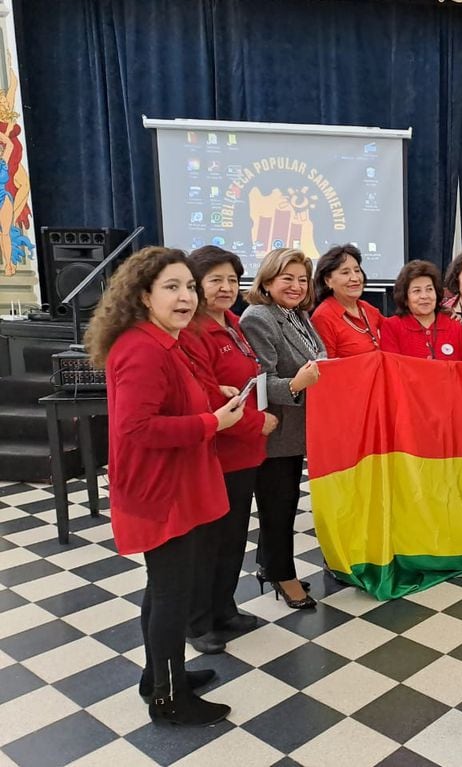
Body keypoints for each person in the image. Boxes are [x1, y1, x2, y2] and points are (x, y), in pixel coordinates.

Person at [84, 247, 242, 726]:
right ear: (143, 295)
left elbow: (178, 396)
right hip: (160, 490)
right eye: (171, 287)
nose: (186, 297)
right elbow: (137, 428)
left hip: (172, 483)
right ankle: (169, 700)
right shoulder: (141, 348)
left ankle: (158, 676)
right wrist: (209, 422)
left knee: (165, 587)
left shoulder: (161, 340)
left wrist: (215, 399)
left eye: (189, 287)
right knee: (173, 592)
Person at [178, 246, 278, 654]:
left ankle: (224, 609)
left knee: (234, 536)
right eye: (215, 280)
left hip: (245, 452)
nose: (225, 288)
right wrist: (259, 424)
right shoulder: (193, 332)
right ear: (197, 285)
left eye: (233, 280)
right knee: (208, 542)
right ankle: (197, 622)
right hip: (219, 451)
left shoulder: (235, 324)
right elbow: (205, 397)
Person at [241, 248, 324, 610]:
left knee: (286, 502)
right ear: (268, 280)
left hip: (297, 429)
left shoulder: (297, 315)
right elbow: (260, 381)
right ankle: (282, 575)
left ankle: (269, 565)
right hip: (275, 431)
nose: (295, 285)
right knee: (278, 506)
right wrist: (297, 383)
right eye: (286, 278)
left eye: (302, 279)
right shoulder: (258, 318)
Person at [380, 259, 462, 360]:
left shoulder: (455, 326)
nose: (424, 296)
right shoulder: (392, 327)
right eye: (417, 291)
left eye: (429, 289)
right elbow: (391, 369)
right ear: (405, 298)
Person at [310, 243, 383, 358]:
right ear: (328, 281)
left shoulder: (367, 309)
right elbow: (328, 366)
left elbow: (395, 332)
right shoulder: (323, 317)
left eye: (357, 270)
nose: (355, 278)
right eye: (345, 272)